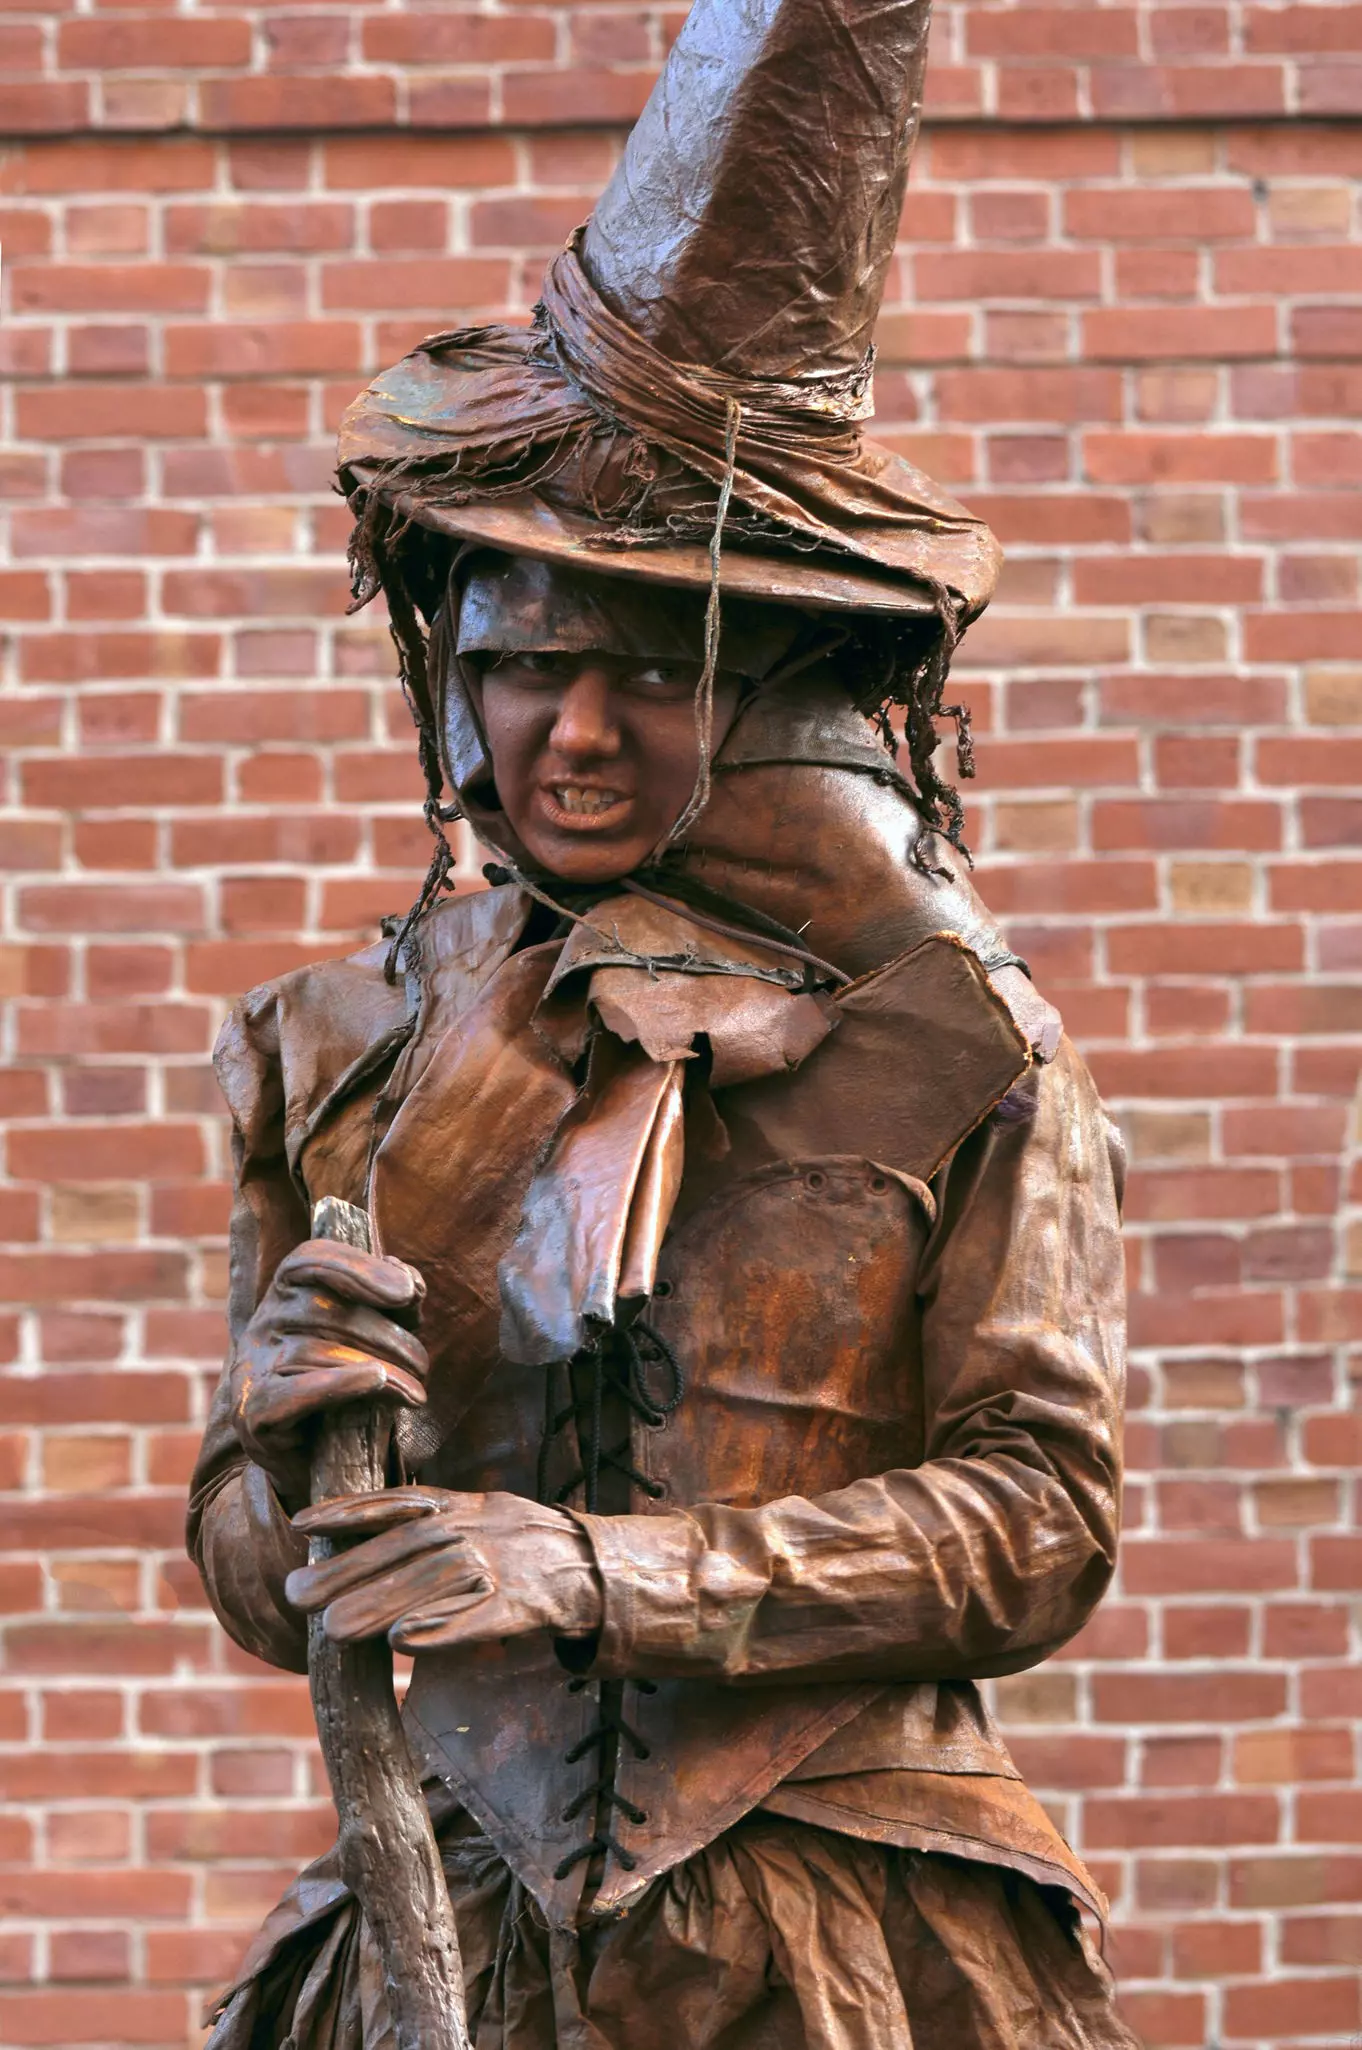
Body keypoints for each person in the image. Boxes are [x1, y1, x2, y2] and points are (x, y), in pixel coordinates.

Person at [188, 1, 1139, 2043]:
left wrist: (609, 1577)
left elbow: (1046, 1517)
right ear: (454, 666)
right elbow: (273, 1584)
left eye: (650, 658)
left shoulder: (956, 1042)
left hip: (837, 1936)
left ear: (772, 676)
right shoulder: (338, 1044)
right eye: (532, 651)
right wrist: (289, 1443)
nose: (580, 728)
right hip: (444, 1920)